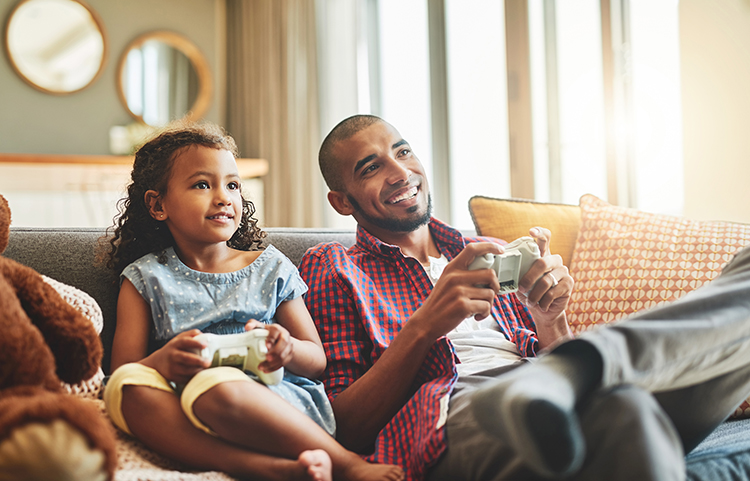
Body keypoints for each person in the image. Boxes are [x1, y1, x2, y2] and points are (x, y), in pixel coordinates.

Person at [298, 114, 750, 480]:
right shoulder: (333, 265)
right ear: (342, 201)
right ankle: (592, 366)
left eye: (403, 151)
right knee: (625, 409)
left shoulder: (485, 248)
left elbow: (547, 342)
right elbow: (345, 428)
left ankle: (579, 368)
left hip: (545, 391)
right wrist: (424, 326)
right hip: (460, 410)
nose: (401, 172)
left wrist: (551, 319)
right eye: (372, 167)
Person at [101, 121, 405, 481]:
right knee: (127, 390)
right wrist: (163, 362)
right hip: (187, 411)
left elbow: (317, 360)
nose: (223, 197)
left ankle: (345, 462)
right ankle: (263, 469)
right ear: (158, 205)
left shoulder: (269, 266)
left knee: (213, 386)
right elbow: (123, 372)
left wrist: (287, 349)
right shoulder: (145, 277)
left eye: (232, 185)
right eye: (202, 184)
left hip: (279, 405)